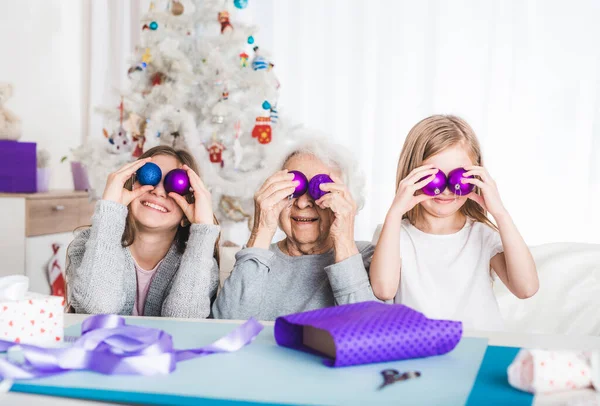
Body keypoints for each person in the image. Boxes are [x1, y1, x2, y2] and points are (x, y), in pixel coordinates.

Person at [370, 115, 539, 331]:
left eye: (459, 177)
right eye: (433, 176)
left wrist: (500, 213)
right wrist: (394, 213)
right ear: (411, 175)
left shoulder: (482, 234)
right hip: (423, 348)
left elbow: (526, 288)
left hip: (480, 347)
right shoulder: (394, 234)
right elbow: (384, 290)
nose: (448, 189)